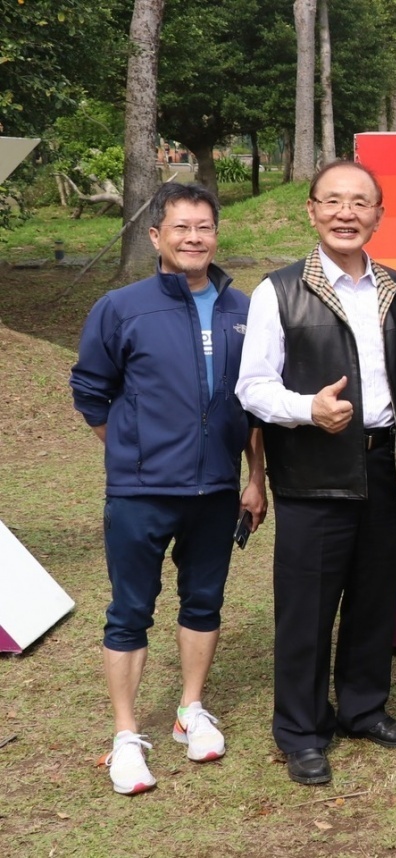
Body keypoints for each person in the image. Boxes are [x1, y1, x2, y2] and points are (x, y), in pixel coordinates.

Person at [70, 182, 267, 795]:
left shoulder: (246, 309)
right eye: (180, 227)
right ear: (156, 236)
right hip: (140, 490)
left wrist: (256, 479)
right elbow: (90, 391)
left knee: (203, 602)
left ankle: (190, 710)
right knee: (130, 610)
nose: (193, 237)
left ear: (216, 233)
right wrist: (131, 450)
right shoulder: (121, 307)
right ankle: (127, 734)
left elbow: (256, 401)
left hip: (217, 490)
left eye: (204, 226)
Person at [236, 160, 396, 786]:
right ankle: (301, 729)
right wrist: (307, 410)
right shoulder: (278, 290)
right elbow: (253, 387)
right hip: (314, 472)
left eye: (360, 202)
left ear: (378, 214)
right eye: (334, 201)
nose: (347, 213)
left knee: (374, 600)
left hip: (385, 465)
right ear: (311, 210)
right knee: (307, 610)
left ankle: (364, 709)